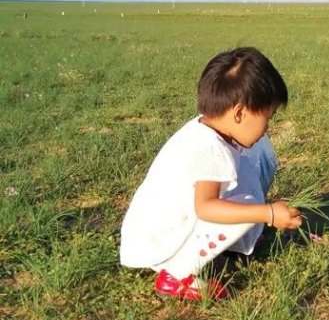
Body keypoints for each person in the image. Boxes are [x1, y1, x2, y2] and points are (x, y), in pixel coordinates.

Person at [119, 46, 302, 300]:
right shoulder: (211, 150)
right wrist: (267, 213)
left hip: (154, 231)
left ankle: (237, 243)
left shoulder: (207, 128)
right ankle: (177, 276)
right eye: (267, 117)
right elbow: (206, 207)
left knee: (254, 162)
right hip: (159, 243)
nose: (268, 126)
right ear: (239, 113)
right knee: (248, 208)